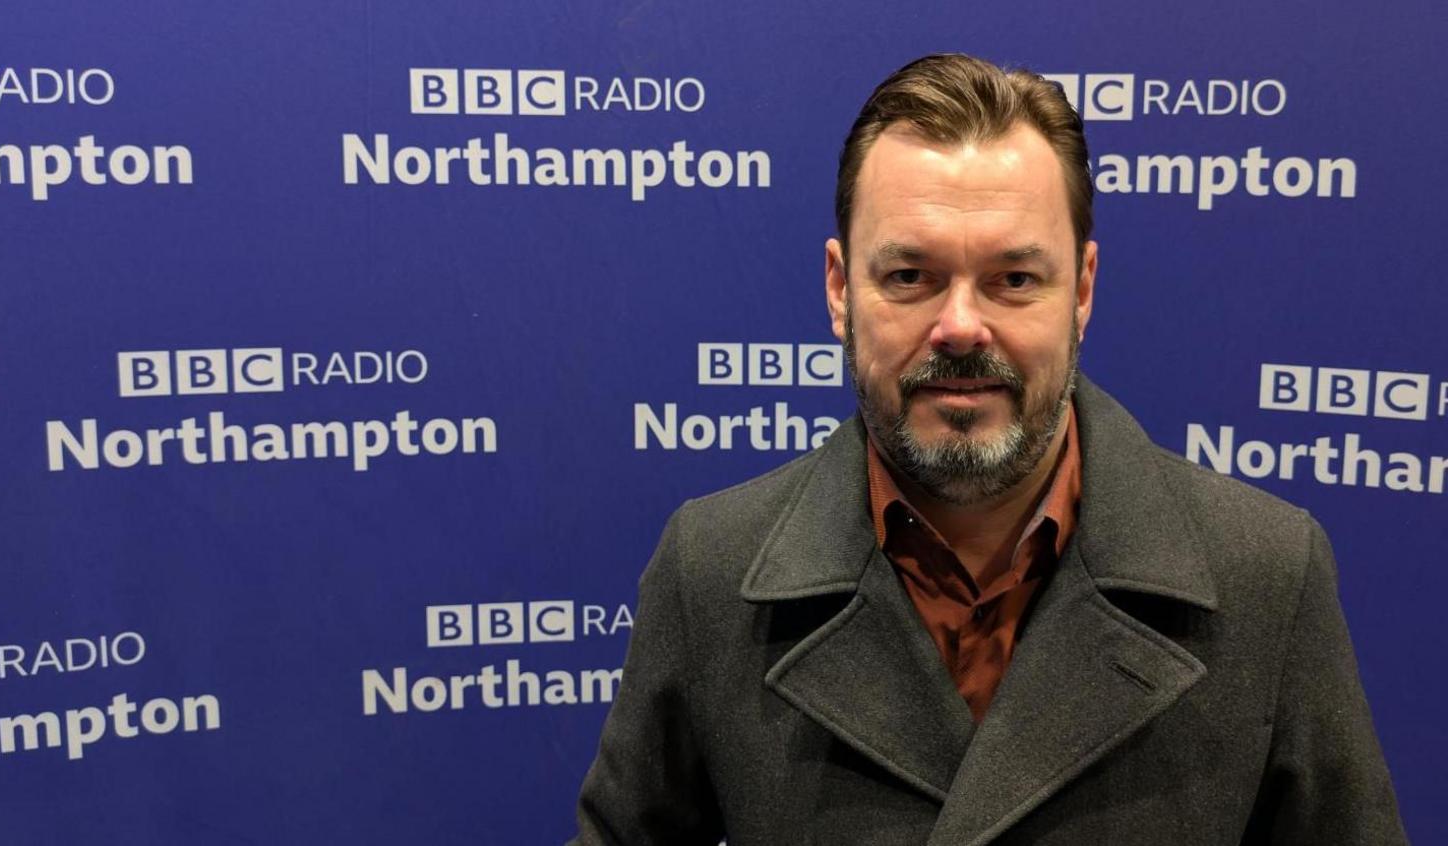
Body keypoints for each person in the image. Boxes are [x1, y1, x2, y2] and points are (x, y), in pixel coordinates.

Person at [571, 54, 1405, 845]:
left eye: (1013, 279)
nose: (961, 326)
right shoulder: (711, 570)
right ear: (839, 290)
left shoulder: (1265, 573)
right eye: (910, 277)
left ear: (1081, 290)